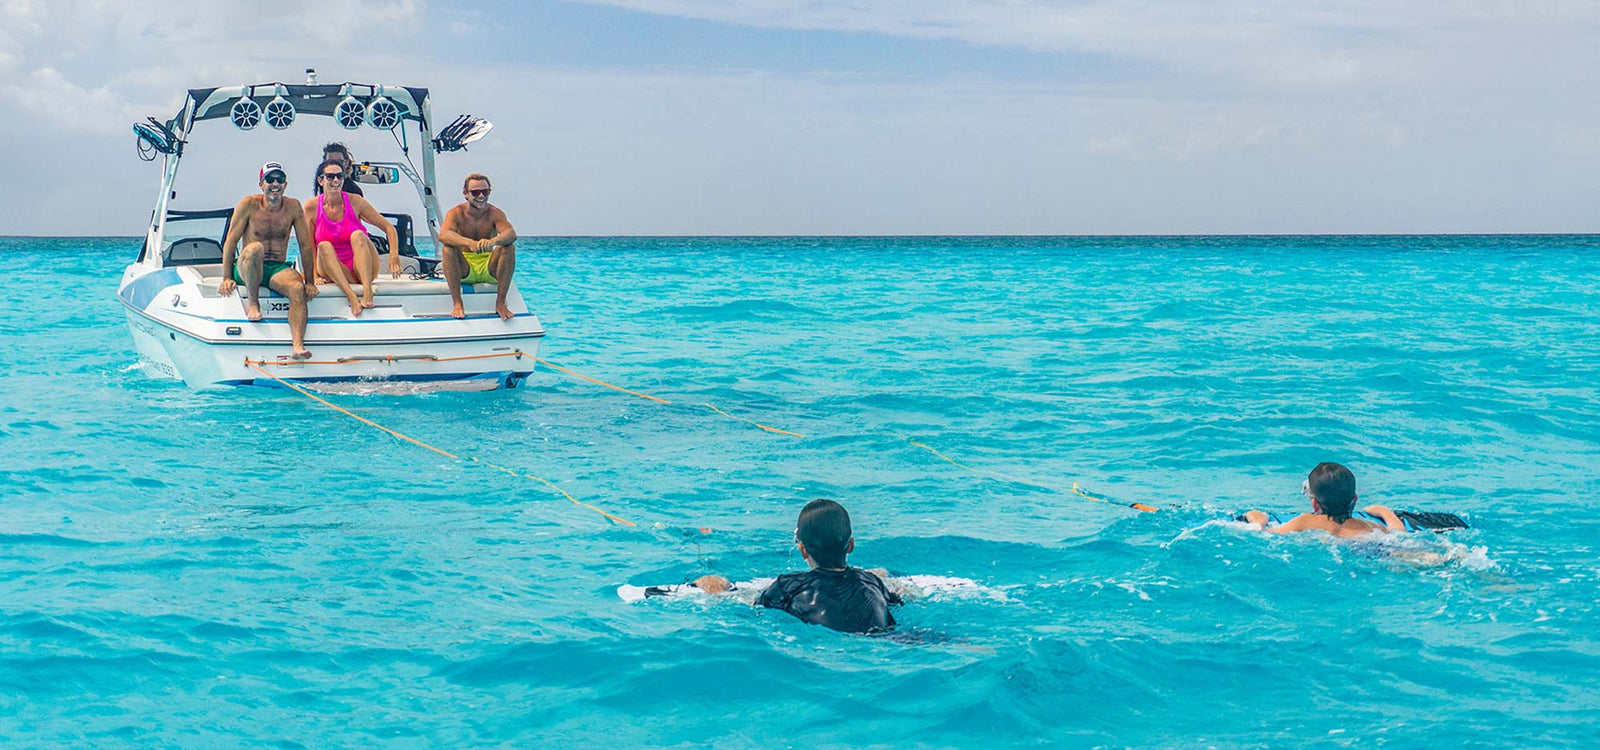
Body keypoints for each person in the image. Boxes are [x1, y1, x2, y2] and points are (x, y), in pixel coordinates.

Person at [695, 499, 903, 634]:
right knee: (881, 572)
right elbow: (896, 602)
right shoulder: (872, 581)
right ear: (850, 545)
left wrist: (720, 589)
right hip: (882, 638)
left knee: (716, 583)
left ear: (803, 550)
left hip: (826, 646)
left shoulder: (787, 586)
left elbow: (748, 607)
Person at [218, 161, 318, 358]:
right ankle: (253, 304)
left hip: (275, 268)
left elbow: (305, 245)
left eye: (279, 179)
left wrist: (310, 282)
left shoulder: (293, 207)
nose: (275, 184)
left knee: (297, 288)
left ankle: (297, 345)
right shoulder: (248, 204)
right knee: (256, 248)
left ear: (285, 184)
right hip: (248, 266)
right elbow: (231, 242)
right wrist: (226, 277)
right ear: (261, 184)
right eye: (269, 179)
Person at [304, 157, 400, 316]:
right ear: (321, 180)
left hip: (364, 267)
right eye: (330, 176)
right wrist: (313, 276)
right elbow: (309, 246)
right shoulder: (311, 207)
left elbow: (389, 227)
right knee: (323, 245)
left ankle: (368, 292)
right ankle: (351, 297)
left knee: (358, 235)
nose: (335, 180)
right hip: (334, 268)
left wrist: (394, 255)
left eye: (339, 176)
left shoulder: (356, 201)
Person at [1242, 462, 1406, 537]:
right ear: (1354, 498)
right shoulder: (1370, 527)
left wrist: (1259, 521)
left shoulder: (1305, 522)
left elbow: (1265, 535)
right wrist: (1385, 512)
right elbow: (1399, 534)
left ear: (1315, 503)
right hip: (1375, 548)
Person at [438, 173, 518, 320]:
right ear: (465, 193)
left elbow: (511, 234)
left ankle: (500, 303)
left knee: (508, 247)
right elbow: (443, 235)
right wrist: (471, 244)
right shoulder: (456, 213)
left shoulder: (495, 213)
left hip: (488, 267)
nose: (481, 195)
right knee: (448, 248)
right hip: (465, 268)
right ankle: (457, 303)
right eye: (475, 192)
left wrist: (493, 242)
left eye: (485, 192)